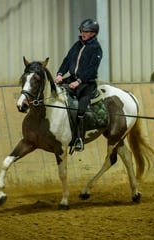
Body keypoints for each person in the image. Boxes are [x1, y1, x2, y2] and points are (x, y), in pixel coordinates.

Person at [55, 18, 103, 152]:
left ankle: (79, 139)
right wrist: (60, 74)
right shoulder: (77, 45)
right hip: (71, 79)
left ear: (93, 33)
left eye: (86, 32)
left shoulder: (96, 49)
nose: (83, 33)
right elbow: (67, 60)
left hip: (87, 84)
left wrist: (79, 81)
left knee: (81, 110)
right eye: (82, 31)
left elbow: (92, 69)